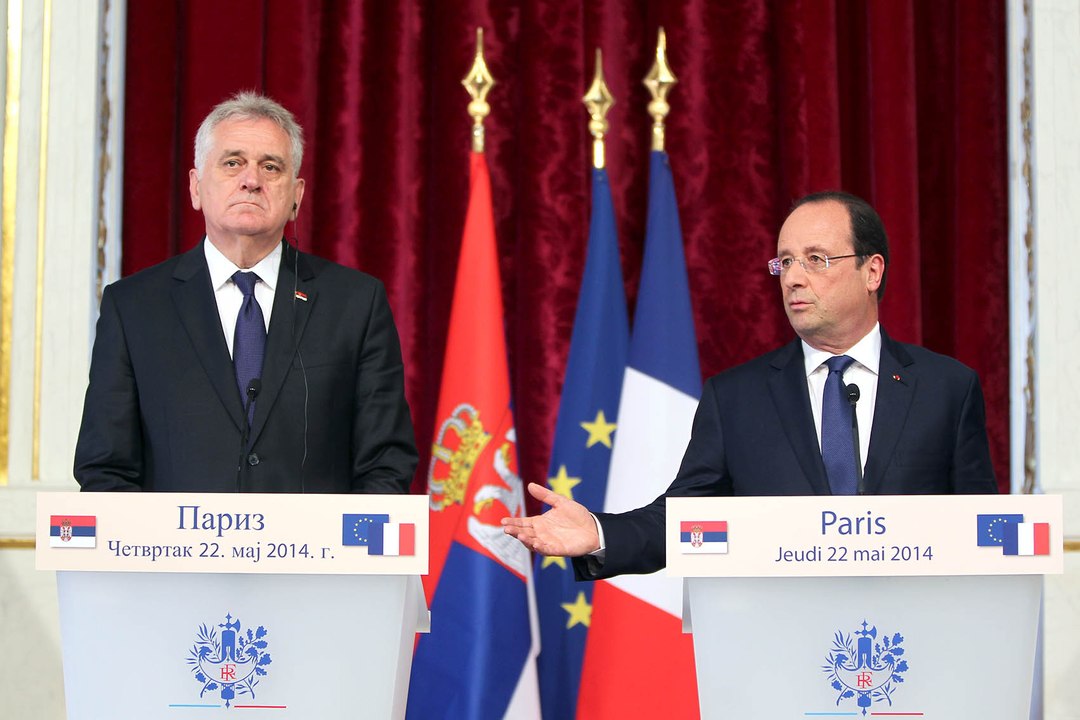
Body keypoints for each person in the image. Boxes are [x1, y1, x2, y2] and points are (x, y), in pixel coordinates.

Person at [502, 190, 997, 578]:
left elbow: (979, 535)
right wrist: (599, 532)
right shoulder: (737, 399)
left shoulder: (945, 390)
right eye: (785, 261)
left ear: (872, 271)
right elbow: (682, 519)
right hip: (780, 657)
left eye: (816, 259)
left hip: (911, 659)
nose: (793, 278)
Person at [74, 91, 417, 493]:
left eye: (270, 167)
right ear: (196, 187)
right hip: (176, 554)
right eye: (233, 163)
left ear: (296, 196)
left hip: (310, 555)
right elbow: (106, 469)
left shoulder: (356, 304)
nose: (251, 180)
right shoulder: (133, 308)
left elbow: (386, 464)